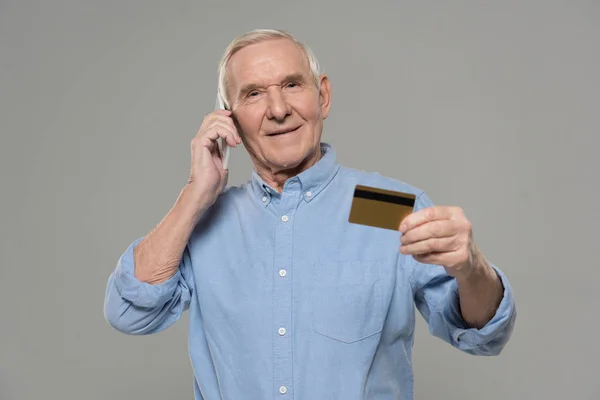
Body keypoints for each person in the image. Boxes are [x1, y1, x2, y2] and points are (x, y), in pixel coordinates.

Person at [103, 28, 516, 400]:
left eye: (292, 85)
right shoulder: (207, 222)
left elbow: (484, 334)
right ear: (228, 118)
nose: (278, 109)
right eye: (253, 94)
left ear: (323, 96)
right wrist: (195, 195)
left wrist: (470, 267)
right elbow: (129, 312)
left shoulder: (385, 209)